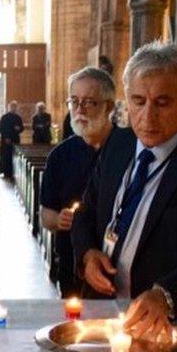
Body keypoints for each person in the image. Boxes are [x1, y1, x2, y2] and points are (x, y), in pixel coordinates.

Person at [71, 41, 177, 341]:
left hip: (169, 322)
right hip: (106, 312)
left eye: (162, 103)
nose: (147, 117)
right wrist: (88, 253)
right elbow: (86, 209)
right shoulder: (118, 144)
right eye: (138, 101)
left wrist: (167, 294)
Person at [40, 68, 117, 298]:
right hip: (72, 263)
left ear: (109, 106)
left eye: (89, 102)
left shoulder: (128, 149)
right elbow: (45, 216)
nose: (80, 109)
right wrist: (59, 219)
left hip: (119, 266)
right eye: (74, 101)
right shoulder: (60, 156)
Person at [0, 100, 23, 178]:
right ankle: (5, 172)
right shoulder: (4, 117)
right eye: (12, 107)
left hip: (15, 140)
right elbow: (1, 128)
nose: (13, 108)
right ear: (9, 107)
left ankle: (13, 172)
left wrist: (19, 128)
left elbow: (22, 128)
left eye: (14, 107)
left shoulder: (18, 117)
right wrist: (6, 138)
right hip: (5, 140)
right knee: (5, 156)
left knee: (14, 156)